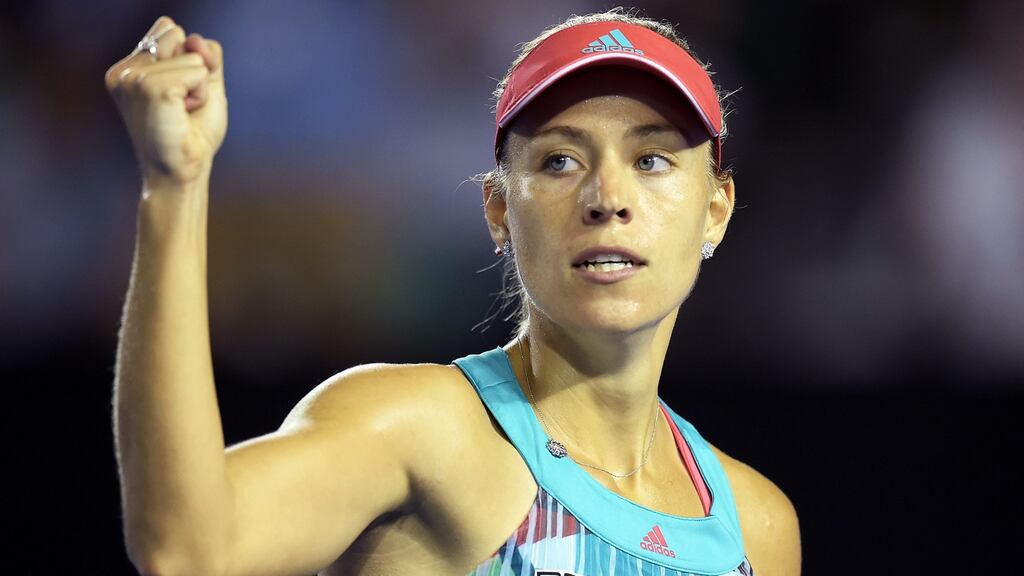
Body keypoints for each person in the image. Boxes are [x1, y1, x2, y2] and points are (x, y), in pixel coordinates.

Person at [108, 9, 801, 576]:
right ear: (499, 212)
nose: (607, 197)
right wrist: (173, 186)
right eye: (560, 160)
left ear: (716, 209)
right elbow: (186, 550)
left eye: (651, 159)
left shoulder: (757, 526)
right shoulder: (418, 430)